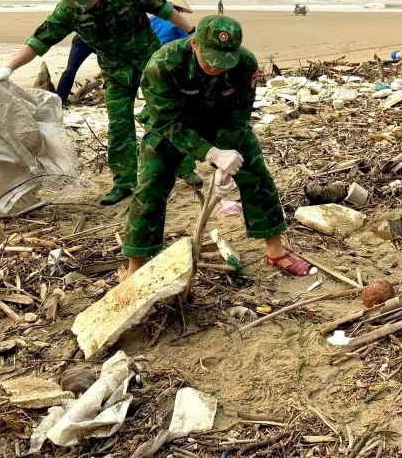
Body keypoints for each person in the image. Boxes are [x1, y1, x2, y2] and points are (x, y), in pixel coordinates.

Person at [120, 15, 311, 280]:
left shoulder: (245, 63)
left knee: (257, 174)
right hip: (171, 126)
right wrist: (211, 153)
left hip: (220, 122)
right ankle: (135, 267)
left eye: (224, 61)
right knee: (151, 185)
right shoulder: (163, 64)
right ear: (195, 44)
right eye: (211, 59)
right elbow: (166, 120)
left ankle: (276, 251)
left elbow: (238, 115)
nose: (217, 67)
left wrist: (227, 158)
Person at [0, 0, 195, 205]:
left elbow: (164, 8)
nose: (83, 5)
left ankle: (185, 167)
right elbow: (40, 39)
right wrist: (9, 67)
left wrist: (192, 32)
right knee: (119, 127)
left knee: (167, 113)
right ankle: (124, 184)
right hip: (115, 71)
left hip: (149, 61)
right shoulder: (68, 10)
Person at [57, 0, 193, 103]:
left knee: (73, 70)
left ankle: (60, 100)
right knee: (126, 71)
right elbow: (189, 44)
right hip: (151, 54)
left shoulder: (151, 19)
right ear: (179, 9)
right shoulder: (178, 24)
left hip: (86, 40)